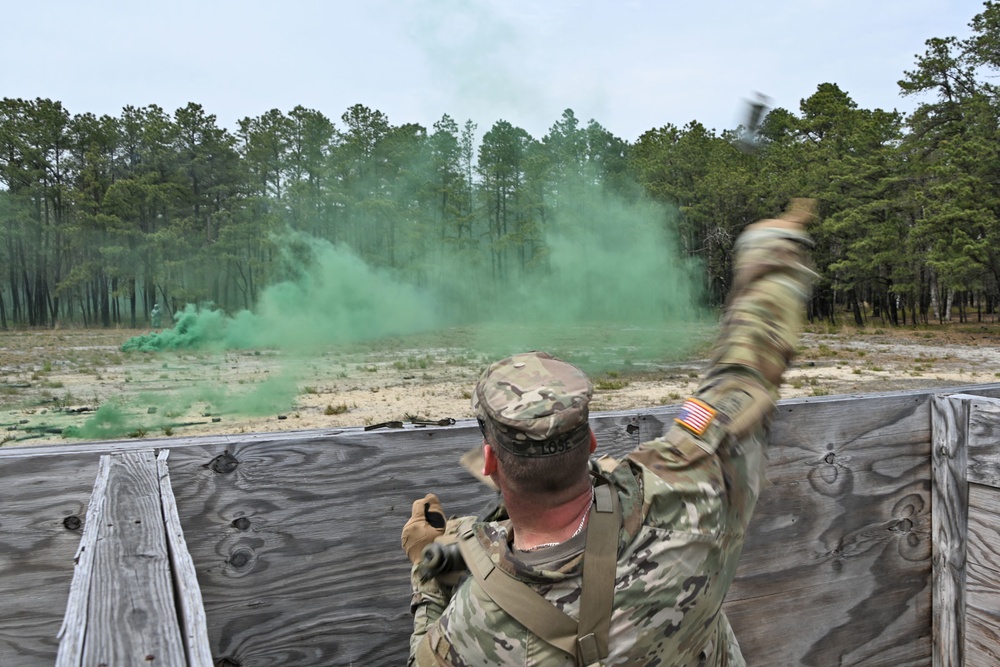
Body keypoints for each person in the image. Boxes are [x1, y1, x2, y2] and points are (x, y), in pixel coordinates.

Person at [401, 199, 817, 666]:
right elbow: (742, 381)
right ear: (592, 442)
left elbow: (424, 656)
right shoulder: (689, 496)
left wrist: (427, 565)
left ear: (491, 461)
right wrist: (772, 253)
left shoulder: (472, 628)